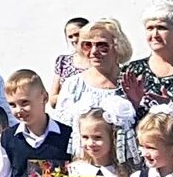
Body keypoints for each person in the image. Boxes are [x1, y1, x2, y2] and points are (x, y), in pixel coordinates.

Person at [52, 18, 137, 161]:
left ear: (117, 46)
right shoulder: (73, 85)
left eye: (102, 46)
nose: (94, 51)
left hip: (124, 168)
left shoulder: (131, 82)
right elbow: (62, 131)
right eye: (87, 45)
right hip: (81, 168)